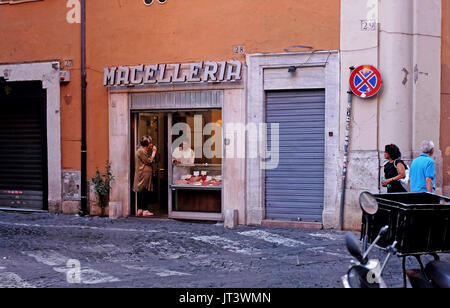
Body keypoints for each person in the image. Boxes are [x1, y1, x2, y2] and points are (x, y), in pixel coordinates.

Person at [133, 136, 157, 217]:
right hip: (144, 174)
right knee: (145, 192)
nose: (151, 144)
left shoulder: (140, 151)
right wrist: (154, 152)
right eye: (150, 143)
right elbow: (148, 161)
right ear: (147, 144)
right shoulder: (141, 151)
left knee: (141, 191)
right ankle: (145, 210)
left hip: (142, 174)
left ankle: (140, 209)